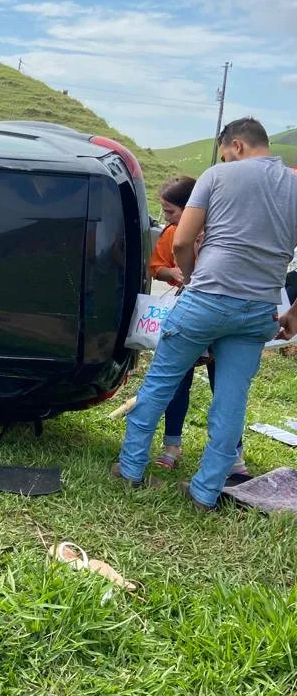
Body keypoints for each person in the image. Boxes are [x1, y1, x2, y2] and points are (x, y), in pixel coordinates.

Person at [114, 117, 297, 510]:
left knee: (161, 383)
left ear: (236, 146)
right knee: (231, 401)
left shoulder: (218, 176)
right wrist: (294, 313)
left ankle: (130, 469)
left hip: (206, 298)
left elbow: (181, 240)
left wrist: (195, 278)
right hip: (258, 310)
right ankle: (205, 492)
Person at [148, 175, 244, 473]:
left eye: (171, 212)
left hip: (224, 317)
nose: (168, 218)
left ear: (192, 207)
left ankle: (232, 454)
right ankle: (172, 445)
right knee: (179, 380)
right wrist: (174, 274)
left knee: (226, 385)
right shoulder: (172, 233)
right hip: (190, 314)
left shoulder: (224, 233)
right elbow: (157, 266)